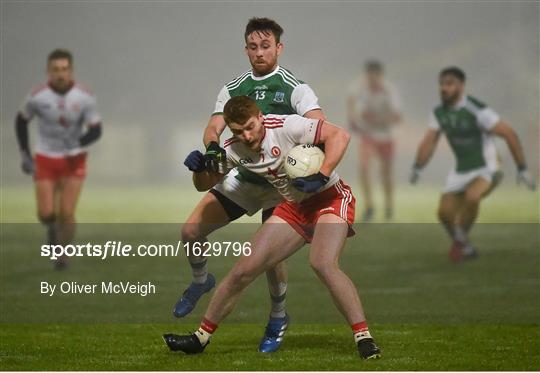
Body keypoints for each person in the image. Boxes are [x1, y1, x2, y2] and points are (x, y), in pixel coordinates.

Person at [164, 96, 381, 360]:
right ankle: (200, 338)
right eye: (238, 131)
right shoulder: (234, 148)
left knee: (322, 262)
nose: (246, 135)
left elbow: (340, 136)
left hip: (330, 198)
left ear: (261, 118)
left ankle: (364, 338)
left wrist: (322, 174)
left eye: (250, 127)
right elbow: (204, 183)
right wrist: (199, 170)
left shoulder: (287, 126)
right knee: (243, 270)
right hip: (295, 208)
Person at [175, 17, 326, 353]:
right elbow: (213, 128)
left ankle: (278, 316)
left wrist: (306, 159)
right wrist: (212, 149)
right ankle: (201, 282)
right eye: (253, 47)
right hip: (243, 177)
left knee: (269, 259)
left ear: (279, 48)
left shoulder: (295, 88)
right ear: (246, 50)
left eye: (266, 46)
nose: (259, 52)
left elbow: (319, 126)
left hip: (280, 185)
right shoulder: (232, 87)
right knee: (189, 232)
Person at [410, 66, 536, 261]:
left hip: (487, 167)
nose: (444, 88)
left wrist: (522, 168)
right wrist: (418, 166)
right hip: (461, 169)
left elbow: (509, 134)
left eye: (449, 84)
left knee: (472, 196)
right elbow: (429, 141)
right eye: (442, 84)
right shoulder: (439, 113)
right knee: (444, 214)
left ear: (461, 86)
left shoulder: (476, 110)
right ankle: (465, 246)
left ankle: (460, 242)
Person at [15, 49, 102, 270]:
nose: (60, 74)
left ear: (71, 71)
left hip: (73, 160)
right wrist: (25, 152)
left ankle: (61, 255)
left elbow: (96, 129)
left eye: (64, 69)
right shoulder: (37, 95)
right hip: (45, 157)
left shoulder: (84, 96)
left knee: (66, 212)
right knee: (46, 213)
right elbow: (21, 120)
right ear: (48, 72)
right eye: (56, 70)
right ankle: (51, 228)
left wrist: (79, 143)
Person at [348, 60, 402, 222]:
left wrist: (380, 119)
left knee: (386, 172)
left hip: (385, 135)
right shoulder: (360, 90)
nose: (372, 79)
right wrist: (354, 120)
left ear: (380, 75)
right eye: (369, 75)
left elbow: (397, 116)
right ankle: (369, 206)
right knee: (364, 168)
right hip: (368, 135)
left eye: (375, 76)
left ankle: (389, 206)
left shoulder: (389, 91)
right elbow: (351, 104)